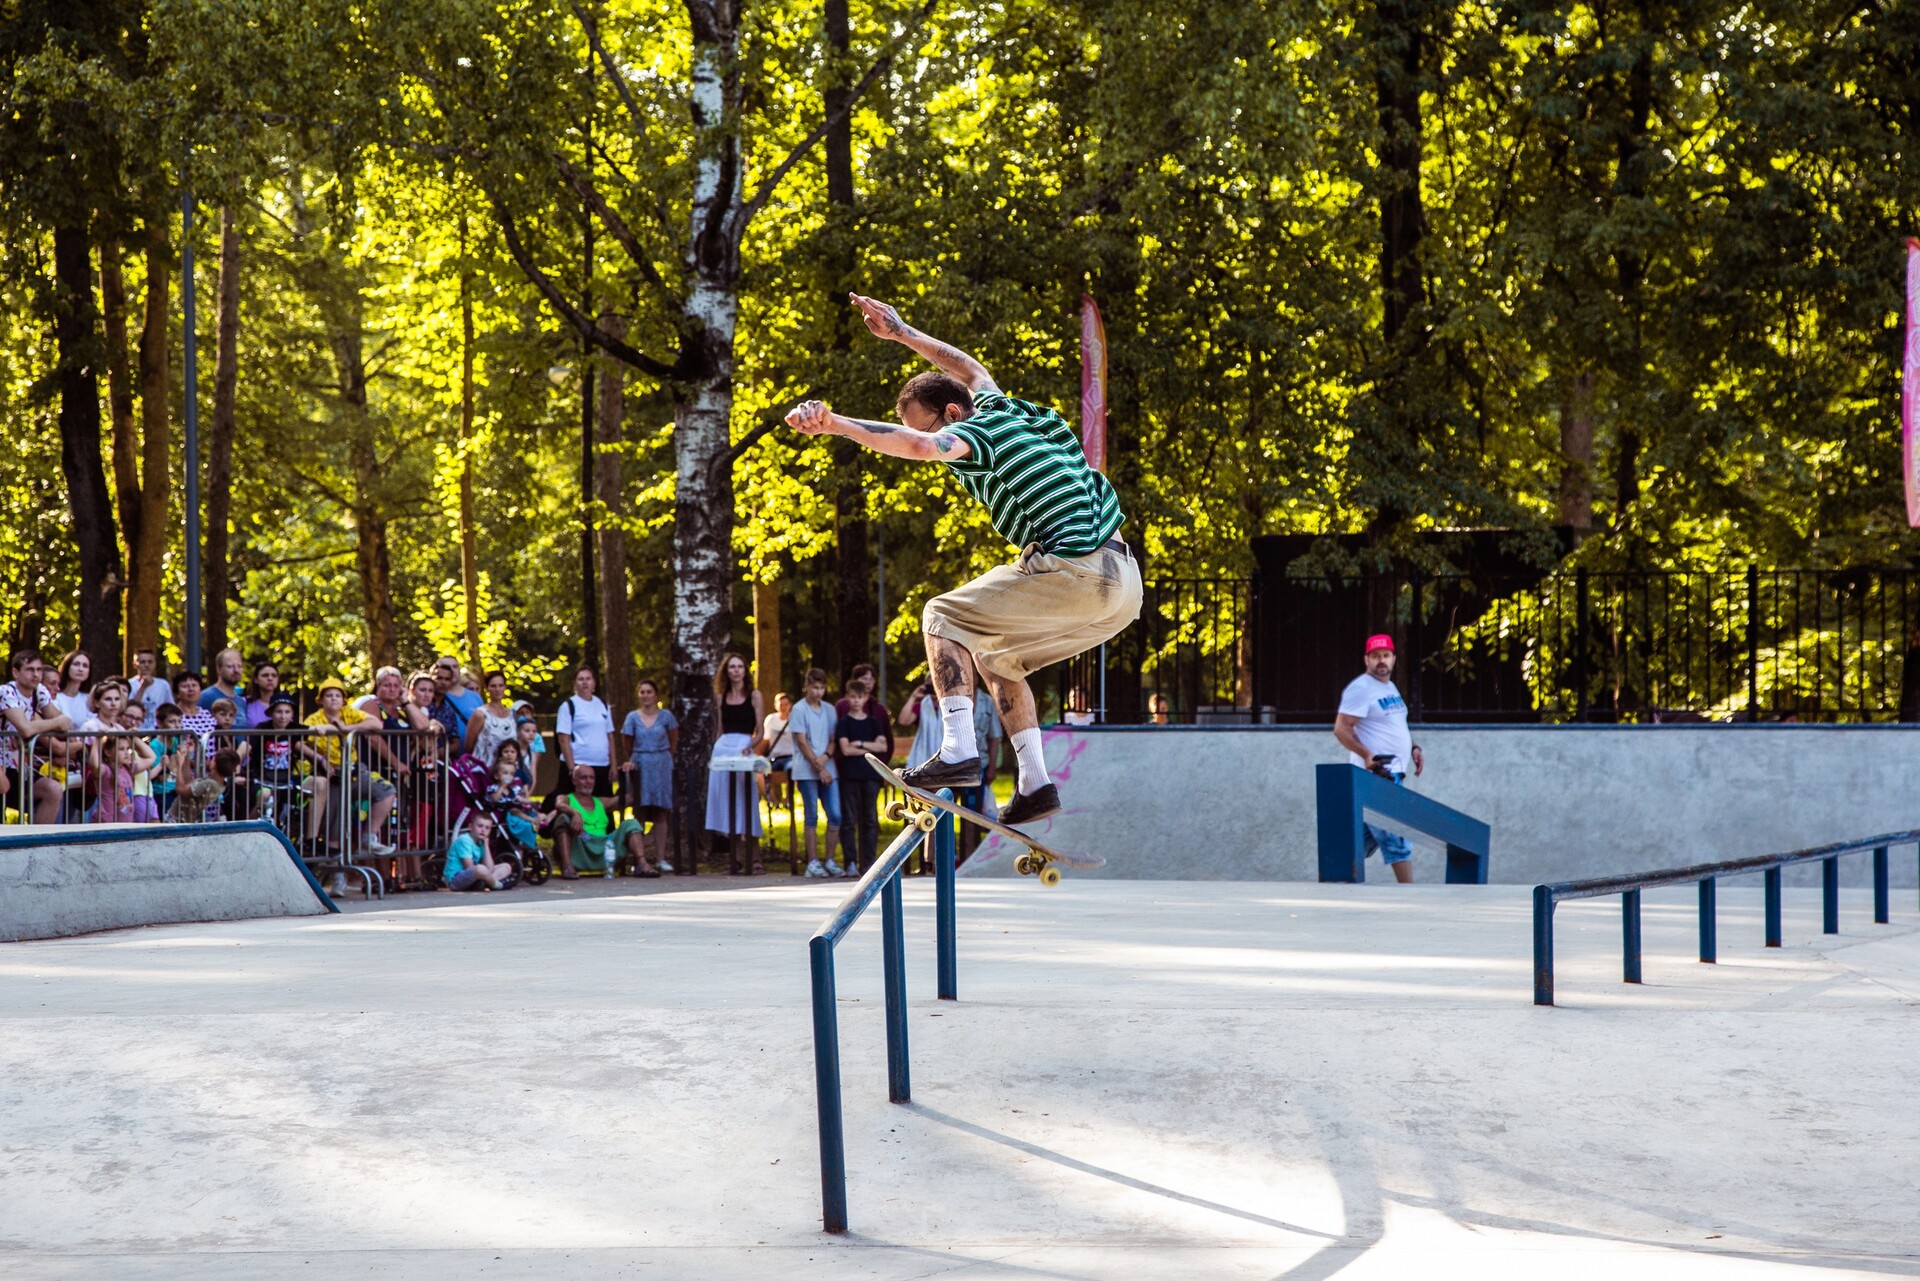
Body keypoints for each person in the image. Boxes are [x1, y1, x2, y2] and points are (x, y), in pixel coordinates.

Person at [784, 293, 1141, 824]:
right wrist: (901, 332)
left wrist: (834, 423)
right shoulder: (1005, 407)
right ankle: (1037, 784)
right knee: (996, 657)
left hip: (1072, 570)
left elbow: (922, 447)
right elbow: (969, 367)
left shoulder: (972, 433)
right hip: (1123, 584)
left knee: (942, 615)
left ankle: (957, 749)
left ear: (951, 415)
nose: (935, 440)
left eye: (932, 426)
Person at [1332, 634, 1424, 885]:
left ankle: (1336, 888)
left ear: (1394, 658)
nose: (1381, 661)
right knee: (1397, 837)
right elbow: (1341, 728)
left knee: (1356, 842)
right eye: (1375, 656)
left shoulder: (1389, 688)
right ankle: (1410, 896)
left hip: (1392, 773)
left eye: (1385, 655)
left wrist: (1413, 747)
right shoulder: (1361, 688)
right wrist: (1367, 755)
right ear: (1366, 660)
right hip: (1376, 775)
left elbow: (1395, 724)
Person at [303, 678, 398, 855]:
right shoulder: (314, 719)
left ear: (343, 699)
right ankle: (336, 873)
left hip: (353, 770)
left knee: (386, 791)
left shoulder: (349, 713)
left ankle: (368, 837)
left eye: (337, 695)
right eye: (329, 695)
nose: (333, 699)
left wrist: (348, 728)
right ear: (321, 700)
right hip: (331, 775)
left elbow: (376, 724)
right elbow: (299, 743)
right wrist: (320, 760)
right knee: (335, 824)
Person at [704, 651, 764, 871]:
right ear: (726, 671)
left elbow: (760, 731)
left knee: (745, 800)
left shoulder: (754, 695)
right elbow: (719, 729)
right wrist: (717, 747)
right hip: (723, 749)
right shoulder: (721, 697)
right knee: (726, 802)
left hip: (744, 748)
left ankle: (755, 858)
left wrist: (750, 746)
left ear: (745, 670)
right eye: (732, 667)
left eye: (739, 666)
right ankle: (736, 859)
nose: (736, 671)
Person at [618, 677, 678, 876]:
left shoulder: (666, 716)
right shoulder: (632, 718)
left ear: (656, 694)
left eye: (649, 692)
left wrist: (666, 756)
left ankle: (660, 858)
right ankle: (639, 858)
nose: (645, 696)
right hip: (640, 764)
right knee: (640, 810)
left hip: (661, 764)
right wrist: (635, 758)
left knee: (661, 812)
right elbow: (627, 741)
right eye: (642, 692)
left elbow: (673, 738)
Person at [834, 678, 892, 876]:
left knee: (870, 820)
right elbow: (845, 749)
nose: (856, 701)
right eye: (852, 697)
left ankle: (869, 862)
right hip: (849, 776)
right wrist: (868, 746)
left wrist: (857, 744)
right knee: (849, 820)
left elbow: (883, 746)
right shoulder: (843, 723)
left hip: (870, 776)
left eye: (860, 697)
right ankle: (850, 862)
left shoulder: (874, 722)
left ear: (866, 698)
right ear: (847, 698)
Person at [258, 692, 332, 845]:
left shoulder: (294, 729)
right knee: (264, 795)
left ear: (292, 714)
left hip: (288, 781)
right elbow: (246, 748)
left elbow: (304, 742)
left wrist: (323, 760)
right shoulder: (261, 729)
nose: (283, 716)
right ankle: (252, 835)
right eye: (279, 711)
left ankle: (311, 838)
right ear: (271, 713)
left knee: (320, 782)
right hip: (263, 780)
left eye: (287, 712)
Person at [787, 669, 841, 877]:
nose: (818, 692)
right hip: (806, 769)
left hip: (828, 768)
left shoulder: (830, 709)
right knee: (811, 815)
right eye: (814, 687)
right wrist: (818, 767)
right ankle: (812, 861)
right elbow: (801, 741)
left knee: (835, 814)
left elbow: (833, 738)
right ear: (807, 686)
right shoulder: (799, 710)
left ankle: (830, 859)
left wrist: (825, 760)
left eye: (821, 688)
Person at [555, 665, 616, 799]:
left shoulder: (603, 705)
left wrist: (613, 764)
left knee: (603, 808)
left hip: (602, 765)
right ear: (575, 683)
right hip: (578, 764)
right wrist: (572, 769)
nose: (585, 682)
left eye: (588, 679)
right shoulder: (568, 706)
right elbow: (563, 740)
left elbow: (610, 736)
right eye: (580, 679)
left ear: (594, 682)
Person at [551, 762, 618, 878]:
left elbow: (629, 799)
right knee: (563, 819)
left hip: (603, 850)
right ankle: (567, 867)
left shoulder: (601, 802)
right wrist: (575, 813)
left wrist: (627, 774)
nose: (588, 781)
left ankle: (642, 865)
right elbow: (559, 805)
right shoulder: (565, 798)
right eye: (584, 778)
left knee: (631, 824)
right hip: (580, 848)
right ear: (574, 781)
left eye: (591, 778)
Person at [92, 732, 157, 824]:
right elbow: (95, 765)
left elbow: (151, 757)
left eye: (128, 749)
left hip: (125, 821)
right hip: (106, 821)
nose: (127, 753)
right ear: (108, 752)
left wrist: (133, 737)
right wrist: (97, 740)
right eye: (121, 749)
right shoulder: (106, 770)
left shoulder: (128, 768)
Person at [443, 811, 513, 891]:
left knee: (506, 867)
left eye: (487, 828)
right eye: (480, 826)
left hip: (473, 876)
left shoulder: (481, 842)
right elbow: (469, 867)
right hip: (455, 879)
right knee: (480, 869)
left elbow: (489, 868)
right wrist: (484, 873)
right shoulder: (464, 840)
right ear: (470, 827)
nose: (483, 830)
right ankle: (497, 885)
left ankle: (485, 883)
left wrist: (486, 846)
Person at [463, 671, 518, 767]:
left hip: (507, 771)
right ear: (487, 688)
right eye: (493, 686)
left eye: (500, 685)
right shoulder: (480, 714)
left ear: (505, 687)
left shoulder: (512, 714)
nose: (497, 689)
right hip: (484, 769)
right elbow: (469, 746)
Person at [897, 681, 941, 770]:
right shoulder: (921, 706)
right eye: (930, 685)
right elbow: (903, 721)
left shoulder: (950, 706)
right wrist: (913, 696)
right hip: (923, 758)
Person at [433, 654, 483, 731]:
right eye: (447, 667)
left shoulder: (475, 696)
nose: (452, 670)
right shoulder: (432, 697)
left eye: (455, 666)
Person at [128, 648, 174, 729]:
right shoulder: (129, 684)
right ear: (135, 664)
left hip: (157, 731)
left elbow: (170, 708)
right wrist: (143, 687)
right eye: (142, 662)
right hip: (135, 730)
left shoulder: (163, 684)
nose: (146, 665)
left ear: (155, 664)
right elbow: (131, 709)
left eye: (150, 662)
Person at [171, 671, 218, 750]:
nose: (191, 689)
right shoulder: (171, 713)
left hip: (210, 761)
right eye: (185, 686)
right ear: (177, 693)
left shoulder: (207, 714)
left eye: (194, 685)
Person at [200, 648, 249, 720]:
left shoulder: (241, 702)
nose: (236, 670)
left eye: (239, 666)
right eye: (230, 666)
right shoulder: (206, 697)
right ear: (219, 669)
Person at [52, 649, 95, 727]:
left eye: (85, 666)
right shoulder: (55, 697)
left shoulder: (88, 698)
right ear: (67, 667)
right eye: (76, 664)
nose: (80, 669)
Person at [244, 661, 283, 729]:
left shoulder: (285, 703)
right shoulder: (245, 702)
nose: (270, 678)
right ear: (256, 680)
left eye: (274, 675)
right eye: (265, 675)